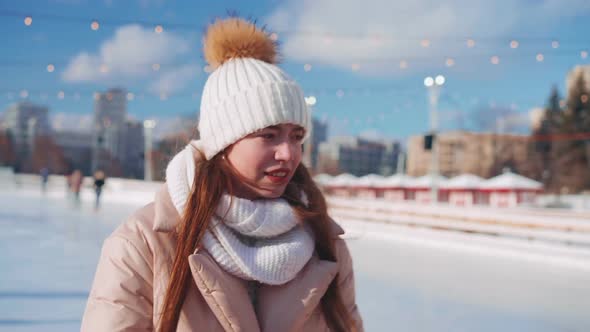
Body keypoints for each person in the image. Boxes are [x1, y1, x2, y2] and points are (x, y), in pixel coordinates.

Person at [81, 17, 363, 332]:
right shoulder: (144, 243)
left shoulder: (326, 245)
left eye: (296, 136)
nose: (289, 153)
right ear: (223, 142)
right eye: (268, 135)